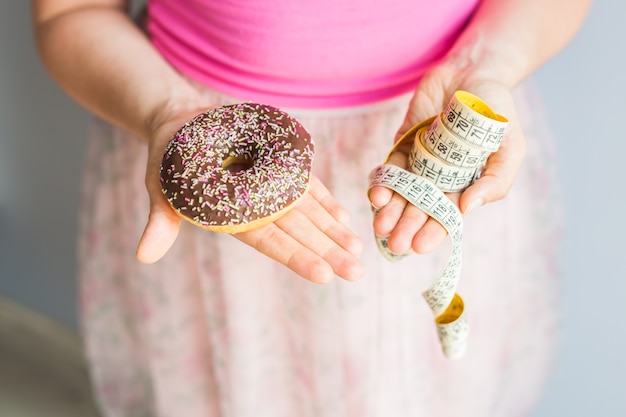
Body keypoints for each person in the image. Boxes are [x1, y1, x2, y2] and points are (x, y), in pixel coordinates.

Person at [33, 0, 590, 416]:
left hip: (436, 140)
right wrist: (164, 111)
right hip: (210, 167)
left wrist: (488, 61)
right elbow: (71, 12)